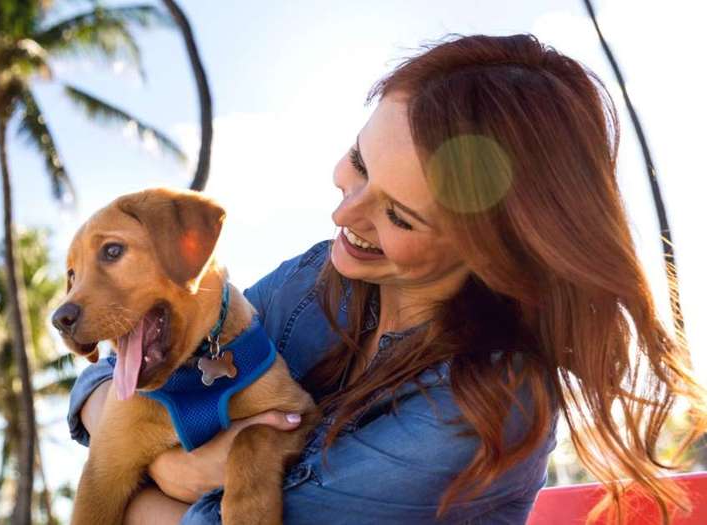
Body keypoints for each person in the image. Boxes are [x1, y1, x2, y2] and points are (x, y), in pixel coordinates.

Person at [66, 34, 707, 524]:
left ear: (491, 251)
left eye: (398, 214)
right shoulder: (318, 279)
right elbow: (124, 376)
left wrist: (168, 476)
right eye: (359, 161)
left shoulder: (485, 408)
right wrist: (175, 461)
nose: (344, 215)